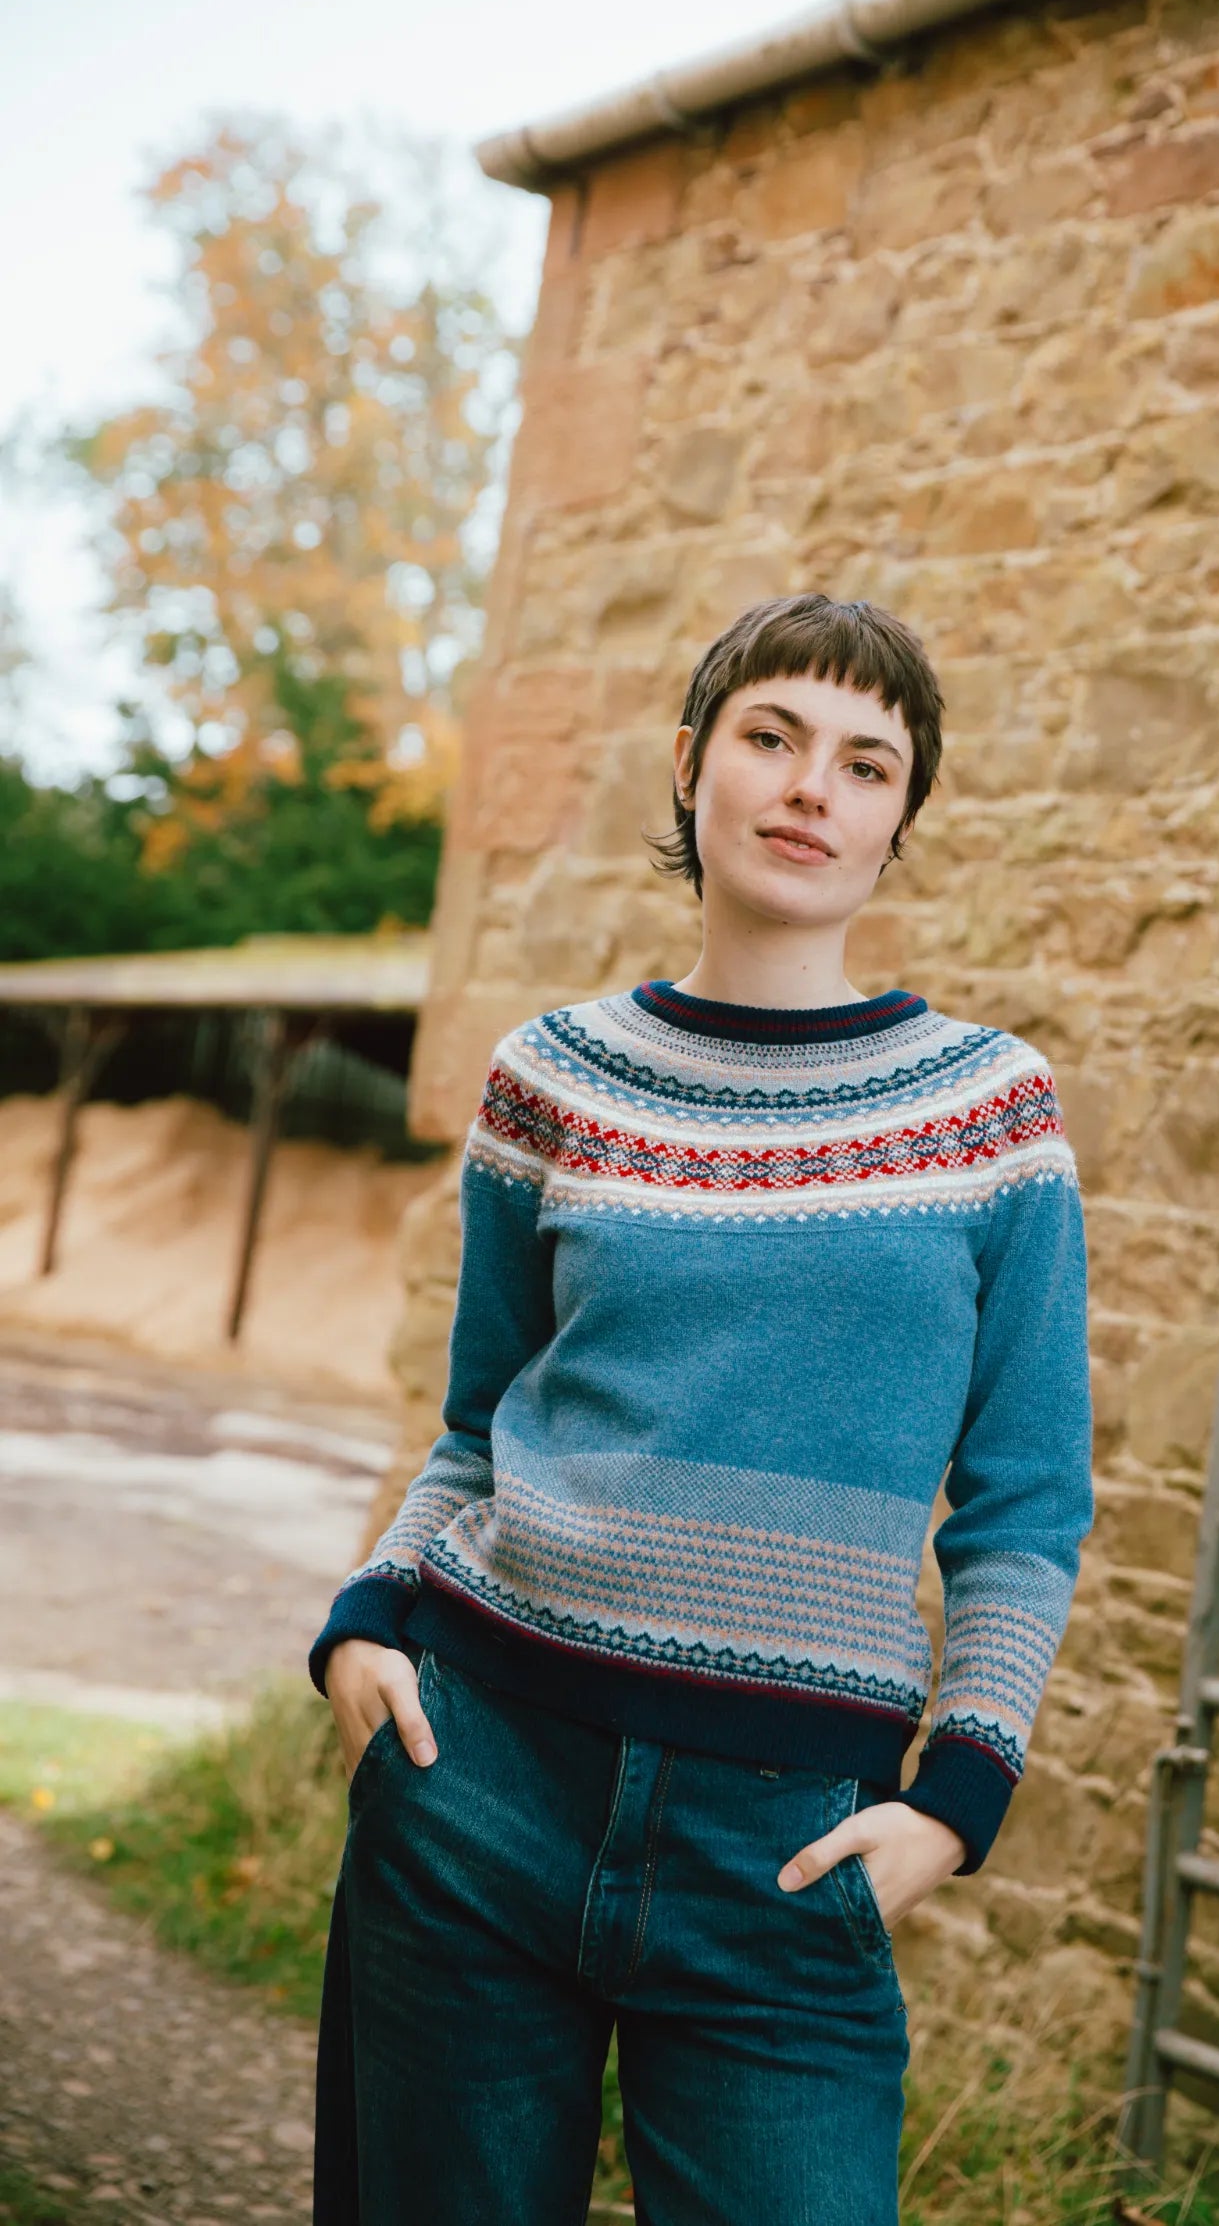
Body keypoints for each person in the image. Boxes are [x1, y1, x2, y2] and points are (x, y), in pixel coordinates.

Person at [308, 592, 1094, 2226]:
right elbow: (478, 1423)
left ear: (899, 818)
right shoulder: (551, 1077)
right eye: (772, 736)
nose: (813, 786)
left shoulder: (991, 1114)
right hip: (480, 1784)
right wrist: (367, 1616)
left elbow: (1026, 1501)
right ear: (691, 765)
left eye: (866, 763)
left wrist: (960, 1794)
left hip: (786, 1860)